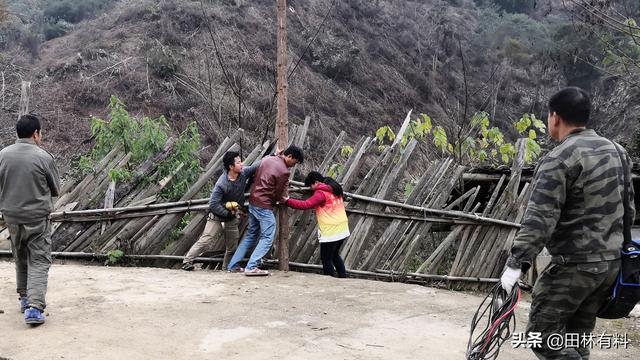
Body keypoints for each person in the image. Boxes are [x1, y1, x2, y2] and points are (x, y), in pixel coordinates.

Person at [500, 87, 634, 359]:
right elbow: (628, 208)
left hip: (575, 267)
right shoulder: (618, 152)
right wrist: (624, 249)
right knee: (576, 338)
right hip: (609, 266)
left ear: (555, 117)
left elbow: (539, 219)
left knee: (542, 338)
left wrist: (516, 264)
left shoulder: (559, 158)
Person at [0, 114, 60, 325]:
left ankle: (25, 298)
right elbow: (55, 189)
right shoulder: (44, 157)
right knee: (39, 259)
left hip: (11, 217)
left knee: (20, 256)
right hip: (36, 218)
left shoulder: (3, 155)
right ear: (36, 134)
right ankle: (34, 308)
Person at [227, 145, 304, 276]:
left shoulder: (268, 159)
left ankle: (233, 265)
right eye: (294, 162)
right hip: (264, 205)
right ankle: (251, 266)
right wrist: (283, 199)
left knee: (251, 235)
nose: (293, 165)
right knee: (268, 236)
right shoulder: (284, 171)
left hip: (253, 201)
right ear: (289, 156)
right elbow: (279, 193)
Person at [182, 151, 259, 271]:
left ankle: (226, 268)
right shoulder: (222, 184)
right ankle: (187, 261)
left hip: (232, 217)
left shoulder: (243, 173)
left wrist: (274, 156)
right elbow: (213, 204)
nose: (242, 164)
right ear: (231, 166)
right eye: (238, 162)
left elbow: (258, 165)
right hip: (217, 216)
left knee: (232, 246)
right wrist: (226, 213)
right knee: (206, 239)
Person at [284, 171, 349, 278]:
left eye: (311, 185)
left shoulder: (321, 193)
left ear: (317, 182)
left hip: (331, 230)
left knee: (326, 258)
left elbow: (306, 204)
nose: (311, 188)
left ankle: (329, 280)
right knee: (335, 255)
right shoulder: (335, 189)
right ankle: (343, 277)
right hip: (342, 227)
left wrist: (288, 201)